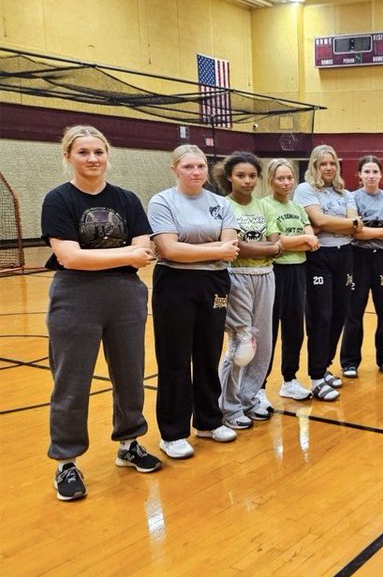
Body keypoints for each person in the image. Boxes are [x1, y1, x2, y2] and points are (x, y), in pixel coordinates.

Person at [41, 125, 161, 501]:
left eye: (98, 152)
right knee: (71, 380)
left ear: (108, 155)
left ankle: (129, 444)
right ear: (68, 157)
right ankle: (66, 461)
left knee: (130, 374)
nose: (92, 159)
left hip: (126, 295)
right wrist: (126, 254)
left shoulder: (126, 199)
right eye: (83, 152)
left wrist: (111, 256)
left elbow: (145, 251)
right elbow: (69, 257)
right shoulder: (58, 199)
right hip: (75, 295)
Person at [148, 144, 239, 459]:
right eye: (188, 167)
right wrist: (215, 249)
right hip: (174, 283)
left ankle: (208, 421)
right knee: (174, 358)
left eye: (200, 166)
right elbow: (169, 250)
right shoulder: (162, 201)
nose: (195, 172)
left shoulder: (220, 203)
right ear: (175, 169)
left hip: (214, 283)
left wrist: (195, 249)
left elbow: (231, 247)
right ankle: (173, 433)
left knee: (209, 352)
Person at [215, 153, 279, 430]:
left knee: (262, 343)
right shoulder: (223, 206)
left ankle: (249, 398)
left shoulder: (263, 206)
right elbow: (236, 247)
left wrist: (265, 247)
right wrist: (266, 247)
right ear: (229, 177)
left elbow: (277, 243)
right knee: (243, 344)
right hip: (236, 276)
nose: (247, 180)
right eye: (241, 175)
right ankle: (228, 406)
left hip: (266, 276)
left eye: (252, 175)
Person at [294, 144, 357, 401]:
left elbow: (355, 226)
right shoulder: (305, 189)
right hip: (319, 257)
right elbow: (318, 222)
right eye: (323, 164)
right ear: (314, 166)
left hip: (345, 255)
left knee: (339, 315)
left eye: (332, 163)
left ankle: (326, 365)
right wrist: (345, 223)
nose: (328, 168)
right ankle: (316, 377)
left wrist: (338, 224)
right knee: (321, 317)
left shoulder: (345, 193)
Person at [261, 159, 318, 405]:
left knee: (294, 329)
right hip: (274, 271)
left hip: (298, 270)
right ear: (270, 180)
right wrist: (301, 240)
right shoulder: (264, 206)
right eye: (280, 178)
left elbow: (312, 240)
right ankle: (259, 387)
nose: (286, 183)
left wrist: (299, 240)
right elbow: (276, 242)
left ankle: (290, 380)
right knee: (269, 330)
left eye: (289, 178)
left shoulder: (298, 208)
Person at [340, 155, 383, 377]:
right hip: (358, 258)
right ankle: (349, 362)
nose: (371, 176)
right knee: (354, 312)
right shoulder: (351, 198)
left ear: (381, 175)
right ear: (359, 174)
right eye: (367, 171)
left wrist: (369, 231)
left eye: (375, 172)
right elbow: (356, 232)